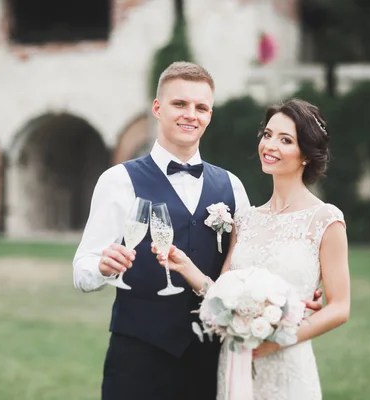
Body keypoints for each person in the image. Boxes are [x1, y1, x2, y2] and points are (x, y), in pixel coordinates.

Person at [73, 61, 253, 400]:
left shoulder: (232, 186)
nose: (191, 114)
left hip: (212, 358)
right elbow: (81, 269)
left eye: (201, 107)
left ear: (210, 115)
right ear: (158, 108)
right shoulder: (118, 181)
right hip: (138, 359)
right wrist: (100, 267)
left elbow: (246, 267)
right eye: (180, 104)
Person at [152, 98, 350, 400]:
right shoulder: (245, 219)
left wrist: (276, 341)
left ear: (306, 155)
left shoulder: (325, 220)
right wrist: (186, 267)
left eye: (285, 140)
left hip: (287, 363)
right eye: (268, 134)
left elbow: (339, 307)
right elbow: (221, 292)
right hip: (236, 360)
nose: (270, 145)